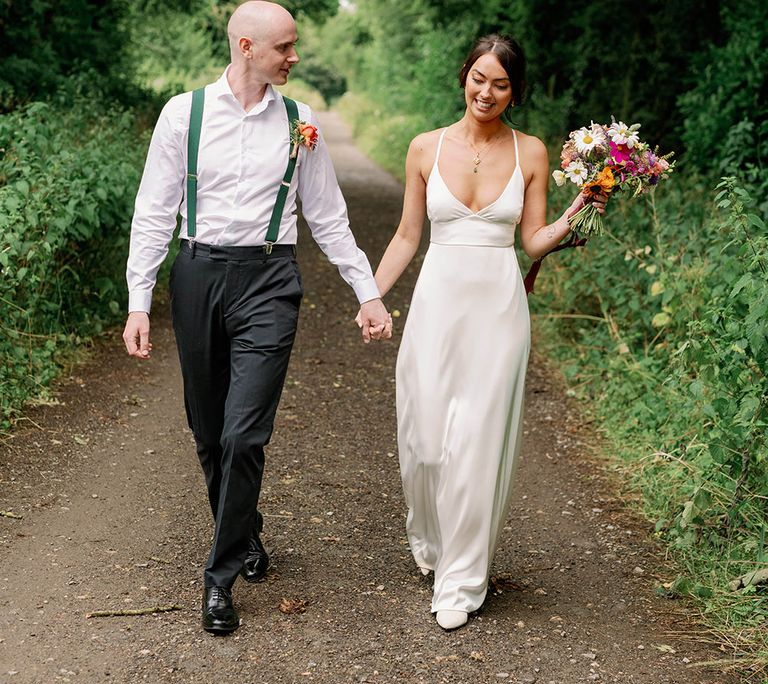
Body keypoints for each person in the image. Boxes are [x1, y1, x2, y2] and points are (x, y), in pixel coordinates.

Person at [122, 0, 391, 635]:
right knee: (208, 429)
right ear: (246, 47)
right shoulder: (182, 116)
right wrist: (139, 301)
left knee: (246, 433)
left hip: (270, 280)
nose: (295, 57)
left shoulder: (303, 122)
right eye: (285, 48)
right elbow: (155, 210)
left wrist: (368, 291)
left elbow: (326, 216)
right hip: (197, 276)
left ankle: (219, 579)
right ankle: (244, 526)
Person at [371, 35, 606, 630]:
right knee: (424, 444)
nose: (487, 91)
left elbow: (531, 241)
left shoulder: (531, 152)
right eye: (480, 78)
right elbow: (406, 236)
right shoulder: (425, 147)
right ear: (464, 77)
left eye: (501, 84)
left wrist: (579, 209)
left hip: (499, 312)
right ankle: (430, 536)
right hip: (436, 307)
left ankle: (462, 580)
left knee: (477, 444)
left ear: (515, 91)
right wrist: (371, 294)